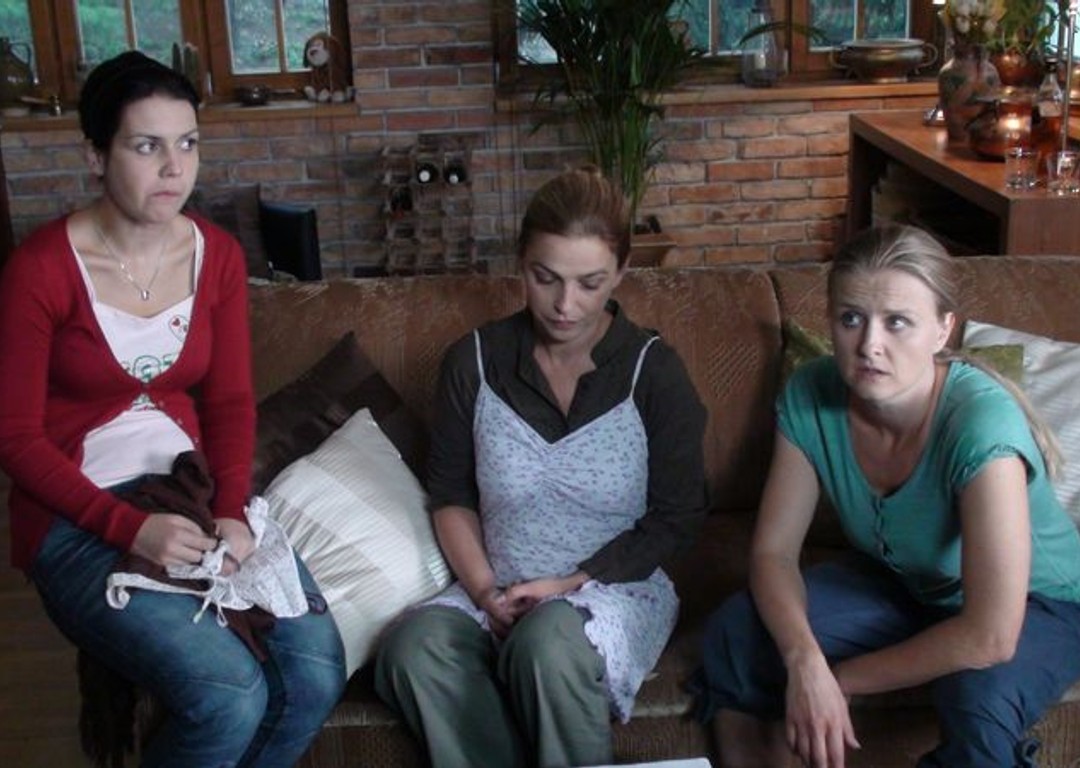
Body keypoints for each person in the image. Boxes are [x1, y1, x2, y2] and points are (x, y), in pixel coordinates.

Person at [0, 51, 344, 767]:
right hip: (77, 517)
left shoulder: (216, 255)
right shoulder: (40, 268)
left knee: (315, 673)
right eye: (145, 145)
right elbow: (15, 438)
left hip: (190, 494)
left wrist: (232, 509)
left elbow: (229, 400)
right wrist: (129, 528)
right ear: (96, 155)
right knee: (227, 694)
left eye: (187, 143)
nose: (173, 167)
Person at [694, 223, 1080, 768]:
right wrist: (803, 660)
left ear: (943, 329)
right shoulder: (810, 392)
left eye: (897, 321)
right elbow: (774, 553)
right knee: (738, 631)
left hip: (1038, 605)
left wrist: (837, 681)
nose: (869, 345)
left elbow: (991, 636)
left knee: (977, 700)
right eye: (851, 318)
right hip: (909, 583)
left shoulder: (981, 425)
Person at [374, 167, 709, 768]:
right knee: (412, 648)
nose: (564, 305)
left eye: (590, 283)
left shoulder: (654, 373)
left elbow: (677, 518)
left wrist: (568, 585)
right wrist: (486, 591)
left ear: (622, 272)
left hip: (611, 590)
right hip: (495, 588)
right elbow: (451, 495)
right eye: (545, 277)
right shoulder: (473, 362)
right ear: (521, 263)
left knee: (546, 644)